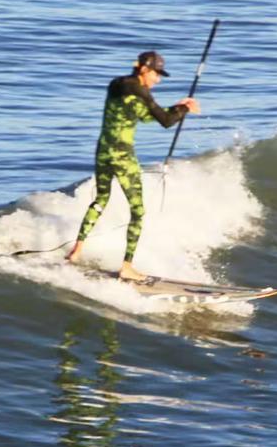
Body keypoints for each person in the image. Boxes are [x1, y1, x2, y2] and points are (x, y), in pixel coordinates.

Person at [65, 51, 200, 281]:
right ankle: (127, 266)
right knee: (138, 211)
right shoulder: (140, 91)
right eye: (157, 74)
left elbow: (146, 116)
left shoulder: (117, 86)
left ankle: (76, 251)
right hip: (122, 155)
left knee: (100, 200)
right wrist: (184, 109)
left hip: (103, 151)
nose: (158, 80)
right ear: (145, 70)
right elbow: (166, 122)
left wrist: (176, 107)